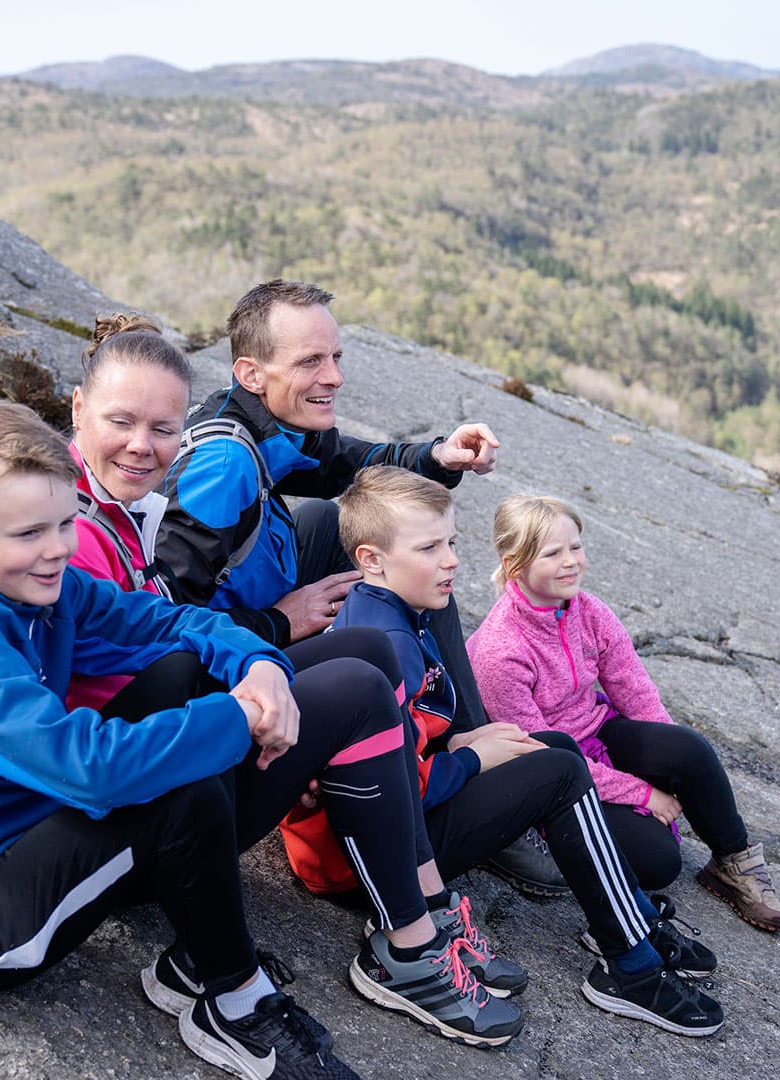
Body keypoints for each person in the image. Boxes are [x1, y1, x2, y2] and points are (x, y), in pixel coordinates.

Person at [0, 399, 366, 1079]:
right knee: (179, 791)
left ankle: (198, 949)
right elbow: (90, 768)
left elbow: (167, 621)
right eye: (29, 532)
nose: (58, 548)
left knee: (183, 671)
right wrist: (238, 718)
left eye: (65, 522)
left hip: (12, 826)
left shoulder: (32, 583)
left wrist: (260, 667)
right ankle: (233, 999)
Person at [62, 316, 523, 1050]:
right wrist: (275, 639)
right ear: (78, 409)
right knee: (358, 689)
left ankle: (426, 895)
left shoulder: (134, 499)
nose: (144, 445)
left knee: (365, 645)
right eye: (122, 422)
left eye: (161, 428)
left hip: (172, 750)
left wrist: (431, 457)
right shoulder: (74, 531)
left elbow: (331, 459)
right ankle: (409, 944)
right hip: (150, 804)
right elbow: (152, 656)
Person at [158, 279, 566, 896]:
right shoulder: (224, 466)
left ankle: (457, 737)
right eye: (310, 361)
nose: (334, 377)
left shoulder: (255, 420)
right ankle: (452, 774)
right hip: (227, 669)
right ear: (251, 373)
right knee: (398, 575)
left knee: (337, 526)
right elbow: (164, 621)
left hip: (246, 617)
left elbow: (337, 462)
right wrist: (281, 621)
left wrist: (435, 457)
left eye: (336, 357)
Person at [291, 466, 725, 1037]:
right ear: (371, 560)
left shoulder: (397, 613)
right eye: (430, 548)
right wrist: (474, 760)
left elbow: (403, 746)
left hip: (391, 835)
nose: (452, 561)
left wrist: (462, 741)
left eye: (452, 542)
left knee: (554, 749)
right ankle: (632, 960)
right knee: (561, 771)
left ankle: (633, 922)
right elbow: (388, 791)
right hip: (362, 863)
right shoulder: (391, 646)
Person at [468, 494, 780, 934]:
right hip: (549, 773)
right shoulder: (500, 651)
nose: (571, 562)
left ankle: (733, 862)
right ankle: (540, 841)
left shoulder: (589, 611)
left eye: (575, 547)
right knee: (659, 862)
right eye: (552, 553)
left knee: (689, 748)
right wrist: (641, 794)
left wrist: (668, 769)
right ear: (514, 565)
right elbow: (541, 755)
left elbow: (635, 692)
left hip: (594, 730)